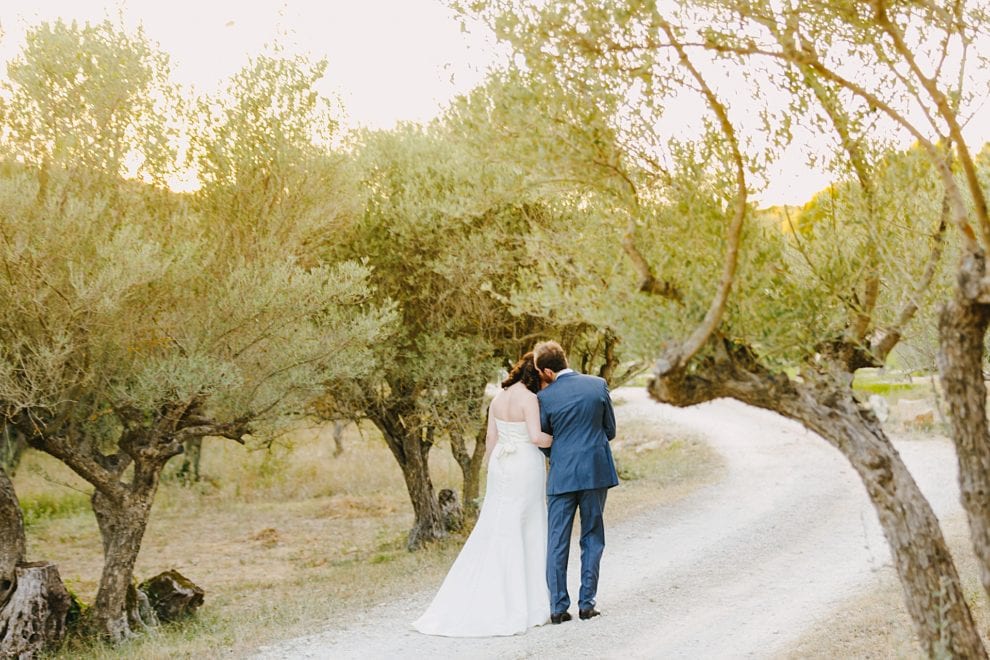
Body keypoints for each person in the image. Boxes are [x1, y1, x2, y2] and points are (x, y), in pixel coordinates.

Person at [411, 352, 552, 637]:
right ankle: (527, 603)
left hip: (501, 463)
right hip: (525, 462)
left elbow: (490, 440)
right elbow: (536, 437)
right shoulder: (529, 399)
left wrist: (494, 466)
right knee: (527, 526)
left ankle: (494, 588)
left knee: (499, 524)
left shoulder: (497, 399)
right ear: (534, 377)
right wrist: (561, 440)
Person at [534, 340, 618, 624]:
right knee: (592, 536)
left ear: (546, 370)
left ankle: (558, 608)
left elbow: (543, 440)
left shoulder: (544, 398)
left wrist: (560, 453)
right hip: (595, 471)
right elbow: (610, 429)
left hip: (561, 476)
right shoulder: (598, 384)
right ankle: (587, 603)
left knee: (556, 541)